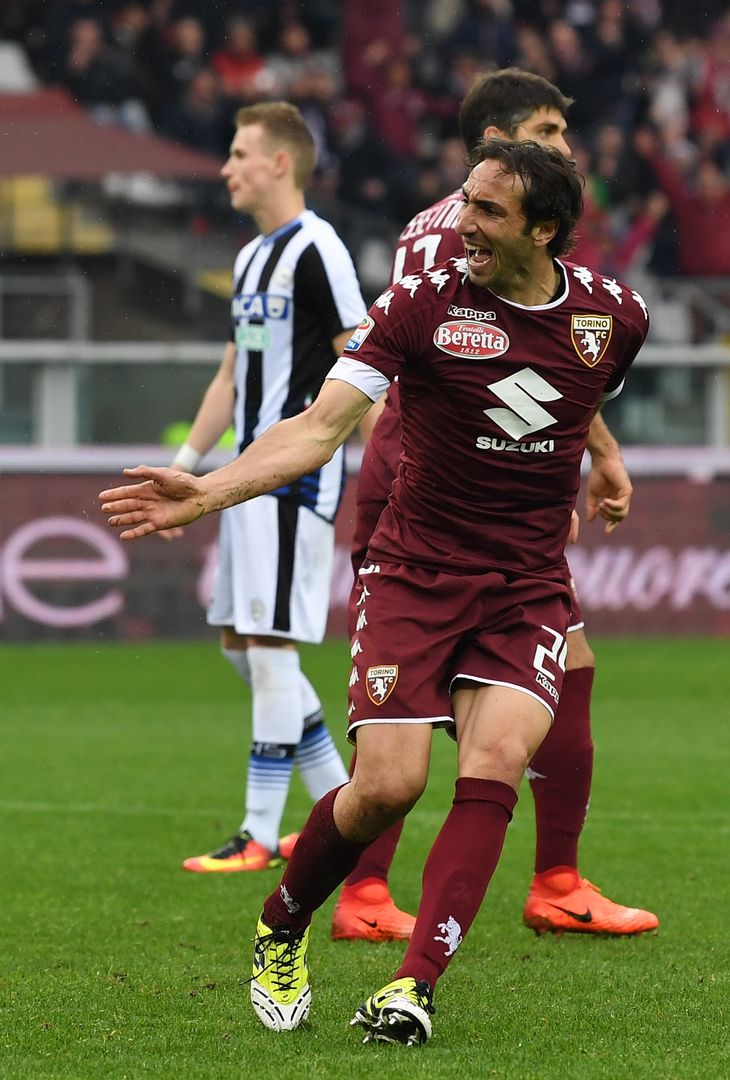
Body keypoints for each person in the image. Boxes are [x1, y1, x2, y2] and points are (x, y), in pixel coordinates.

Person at [100, 137, 651, 1045]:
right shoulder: (423, 302)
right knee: (388, 787)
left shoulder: (615, 315)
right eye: (463, 200)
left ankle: (413, 987)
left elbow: (577, 388)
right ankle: (283, 923)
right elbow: (321, 428)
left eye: (486, 211)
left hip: (525, 585)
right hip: (415, 574)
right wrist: (209, 489)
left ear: (544, 230)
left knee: (496, 760)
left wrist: (605, 460)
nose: (460, 222)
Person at [331, 67, 659, 943]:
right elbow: (492, 364)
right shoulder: (473, 236)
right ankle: (536, 878)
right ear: (498, 142)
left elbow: (551, 364)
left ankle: (489, 881)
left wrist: (599, 452)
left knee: (540, 674)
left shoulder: (442, 224)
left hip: (477, 481)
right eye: (548, 130)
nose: (564, 145)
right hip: (436, 485)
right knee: (434, 700)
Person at [168, 102, 366, 873]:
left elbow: (361, 361)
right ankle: (348, 814)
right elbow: (231, 371)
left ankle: (257, 832)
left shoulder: (320, 250)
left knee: (271, 648)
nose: (227, 167)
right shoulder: (252, 258)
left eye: (240, 152)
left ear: (280, 163)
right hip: (240, 479)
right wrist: (188, 465)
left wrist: (385, 473)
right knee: (241, 648)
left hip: (292, 480)